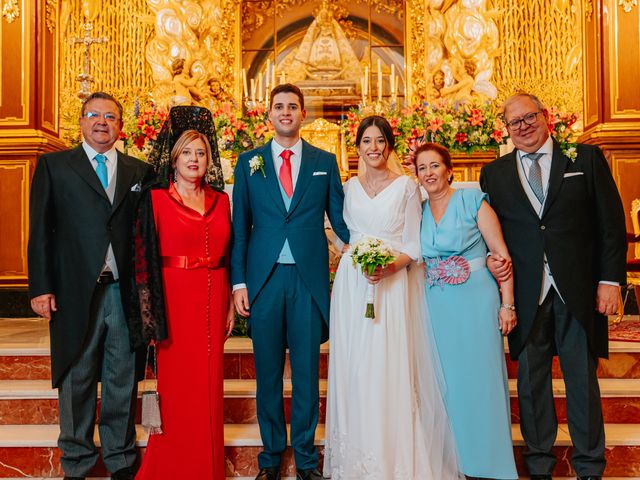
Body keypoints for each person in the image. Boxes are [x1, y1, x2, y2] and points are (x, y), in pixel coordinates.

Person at [480, 93, 627, 480]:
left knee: (582, 379)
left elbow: (610, 226)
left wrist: (609, 281)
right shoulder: (493, 174)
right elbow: (488, 237)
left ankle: (590, 466)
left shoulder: (585, 160)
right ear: (506, 130)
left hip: (578, 291)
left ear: (545, 118)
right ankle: (540, 465)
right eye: (515, 122)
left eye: (529, 117)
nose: (524, 126)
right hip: (527, 295)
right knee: (531, 384)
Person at [324, 117, 463, 480]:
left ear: (389, 146)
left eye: (380, 141)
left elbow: (414, 245)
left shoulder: (405, 187)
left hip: (392, 283)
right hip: (353, 286)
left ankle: (394, 458)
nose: (373, 147)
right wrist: (348, 254)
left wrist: (388, 267)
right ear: (357, 147)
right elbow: (344, 234)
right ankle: (356, 457)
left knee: (388, 364)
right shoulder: (348, 187)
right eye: (367, 141)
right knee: (354, 367)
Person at [28, 91, 154, 480]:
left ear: (120, 126)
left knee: (121, 376)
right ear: (81, 122)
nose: (102, 122)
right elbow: (40, 232)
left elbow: (146, 236)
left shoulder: (139, 171)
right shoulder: (54, 166)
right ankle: (77, 461)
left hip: (122, 290)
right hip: (72, 291)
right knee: (77, 375)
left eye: (111, 117)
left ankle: (119, 458)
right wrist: (40, 287)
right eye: (94, 115)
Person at [231, 83, 349, 480]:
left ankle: (306, 459)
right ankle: (270, 459)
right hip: (263, 282)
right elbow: (240, 230)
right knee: (267, 377)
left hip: (307, 281)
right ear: (269, 115)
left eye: (292, 107)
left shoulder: (324, 161)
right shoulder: (249, 163)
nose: (285, 112)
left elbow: (341, 221)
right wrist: (239, 284)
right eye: (278, 106)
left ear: (303, 115)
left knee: (306, 376)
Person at [129, 107, 233, 479]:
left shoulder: (222, 200)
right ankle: (172, 467)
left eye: (201, 153)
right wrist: (149, 316)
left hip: (213, 299)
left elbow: (229, 253)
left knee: (209, 388)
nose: (195, 159)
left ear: (209, 160)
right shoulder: (155, 200)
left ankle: (207, 467)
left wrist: (229, 306)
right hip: (173, 304)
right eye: (187, 152)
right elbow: (142, 263)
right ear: (174, 159)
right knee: (178, 391)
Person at [416, 142, 518, 480]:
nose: (429, 173)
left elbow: (501, 255)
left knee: (481, 381)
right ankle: (456, 464)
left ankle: (490, 465)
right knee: (447, 385)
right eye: (422, 168)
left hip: (476, 300)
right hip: (437, 304)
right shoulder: (417, 212)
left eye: (434, 166)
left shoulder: (473, 201)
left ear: (448, 170)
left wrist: (507, 304)